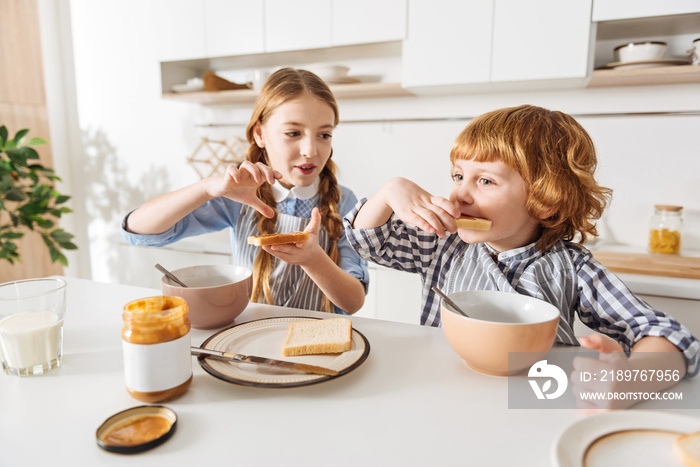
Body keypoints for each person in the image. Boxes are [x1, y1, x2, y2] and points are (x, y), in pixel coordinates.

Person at [343, 104, 698, 408]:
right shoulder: (442, 244)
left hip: (536, 401)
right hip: (444, 395)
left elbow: (668, 336)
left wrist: (629, 381)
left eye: (485, 181)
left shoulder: (573, 268)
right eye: (458, 175)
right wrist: (389, 193)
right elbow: (368, 242)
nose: (459, 194)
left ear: (545, 202)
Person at [122, 68, 368, 314]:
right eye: (293, 133)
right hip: (248, 344)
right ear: (260, 134)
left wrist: (313, 259)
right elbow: (139, 232)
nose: (311, 150)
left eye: (324, 134)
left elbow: (353, 302)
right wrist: (208, 188)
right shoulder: (238, 196)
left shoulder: (344, 202)